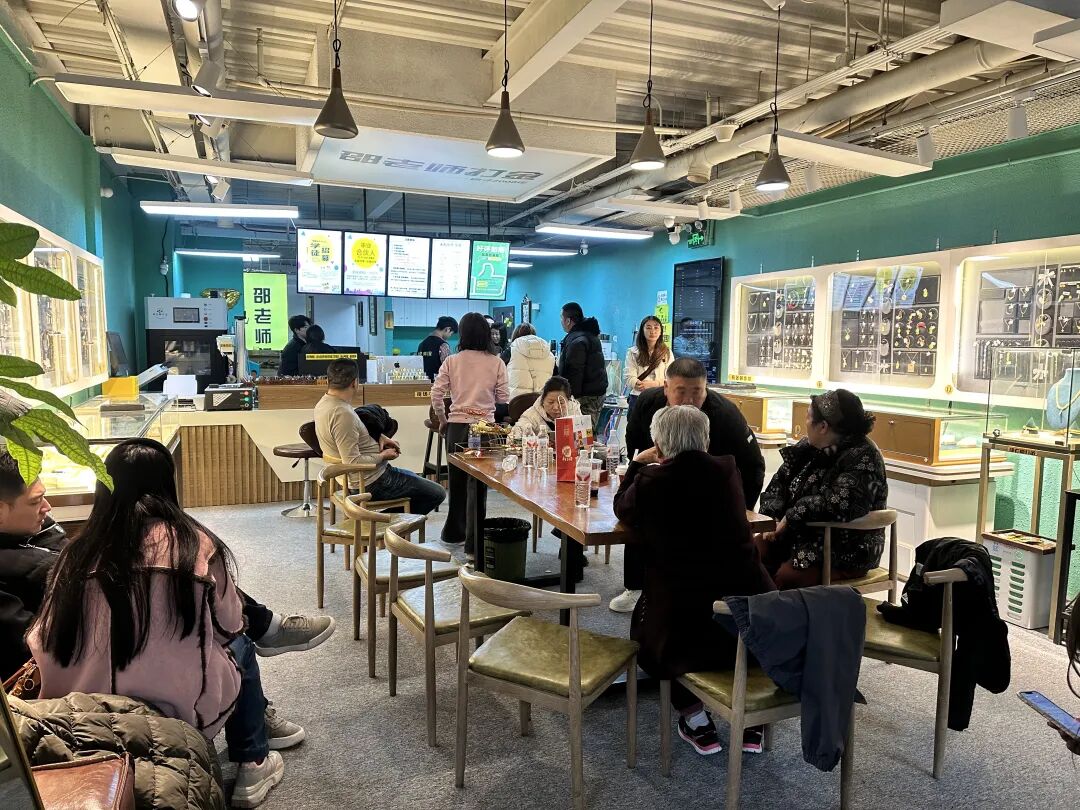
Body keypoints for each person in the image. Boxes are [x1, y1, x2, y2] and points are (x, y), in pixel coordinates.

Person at [28, 439, 288, 808]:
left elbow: (42, 638)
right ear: (168, 483)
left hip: (80, 710)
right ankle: (253, 760)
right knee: (241, 645)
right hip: (177, 709)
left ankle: (258, 722)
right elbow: (229, 625)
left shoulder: (74, 552)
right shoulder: (196, 545)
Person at [0, 450, 333, 683]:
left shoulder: (35, 529)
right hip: (101, 640)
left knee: (187, 564)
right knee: (231, 637)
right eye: (35, 501)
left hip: (117, 608)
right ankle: (253, 738)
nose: (47, 506)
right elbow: (35, 644)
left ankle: (261, 640)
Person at [613, 406, 775, 756]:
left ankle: (696, 718)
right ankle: (754, 718)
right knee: (732, 633)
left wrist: (638, 464)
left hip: (686, 620)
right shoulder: (728, 470)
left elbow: (622, 508)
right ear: (706, 439)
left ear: (659, 445)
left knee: (646, 628)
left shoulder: (652, 480)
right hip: (750, 608)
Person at [610, 358, 765, 612]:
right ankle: (636, 586)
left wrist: (741, 508)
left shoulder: (725, 415)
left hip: (715, 484)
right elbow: (634, 442)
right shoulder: (647, 403)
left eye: (697, 392)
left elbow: (753, 464)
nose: (689, 401)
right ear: (666, 388)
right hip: (663, 476)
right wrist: (639, 466)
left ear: (706, 390)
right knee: (642, 517)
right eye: (681, 392)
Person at [757, 389, 888, 589]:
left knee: (787, 578)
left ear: (823, 426)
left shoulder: (864, 456)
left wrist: (791, 516)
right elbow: (779, 482)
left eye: (808, 417)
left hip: (841, 549)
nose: (805, 422)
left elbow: (839, 502)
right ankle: (745, 608)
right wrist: (772, 517)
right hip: (797, 537)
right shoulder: (807, 447)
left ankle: (774, 609)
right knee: (750, 553)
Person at [315, 359, 445, 514]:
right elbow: (353, 462)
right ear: (355, 383)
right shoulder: (342, 414)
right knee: (437, 493)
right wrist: (383, 456)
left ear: (328, 381)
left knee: (417, 483)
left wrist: (379, 437)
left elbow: (350, 435)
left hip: (357, 478)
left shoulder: (324, 404)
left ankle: (383, 523)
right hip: (371, 482)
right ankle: (383, 524)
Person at [431, 312, 509, 552]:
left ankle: (454, 533)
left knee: (456, 484)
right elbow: (503, 399)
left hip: (456, 428)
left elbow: (436, 394)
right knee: (479, 486)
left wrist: (443, 419)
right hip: (485, 431)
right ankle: (474, 542)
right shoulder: (497, 362)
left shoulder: (452, 361)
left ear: (463, 334)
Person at [557, 302, 607, 425]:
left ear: (568, 321)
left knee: (582, 432)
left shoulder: (577, 341)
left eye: (561, 318)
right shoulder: (591, 336)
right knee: (589, 430)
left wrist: (570, 397)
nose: (561, 322)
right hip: (595, 393)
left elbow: (574, 371)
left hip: (585, 397)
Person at [625, 315, 673, 410]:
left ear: (661, 331)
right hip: (638, 397)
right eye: (648, 327)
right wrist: (636, 383)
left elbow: (671, 378)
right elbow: (629, 376)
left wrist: (652, 384)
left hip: (660, 397)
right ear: (642, 331)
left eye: (656, 327)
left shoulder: (667, 352)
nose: (652, 331)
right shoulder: (632, 352)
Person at [515, 375, 582, 433]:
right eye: (551, 402)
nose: (555, 407)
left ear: (568, 400)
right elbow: (517, 432)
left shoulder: (574, 411)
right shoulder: (532, 415)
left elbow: (583, 433)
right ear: (542, 400)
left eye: (561, 402)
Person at [506, 323, 556, 400]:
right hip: (540, 401)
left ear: (515, 336)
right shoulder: (550, 355)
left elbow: (498, 374)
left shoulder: (510, 351)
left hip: (515, 402)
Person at [417, 316, 458, 382]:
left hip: (423, 383)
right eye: (451, 333)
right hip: (439, 384)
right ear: (448, 329)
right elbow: (449, 368)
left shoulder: (422, 344)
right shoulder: (443, 345)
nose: (450, 336)